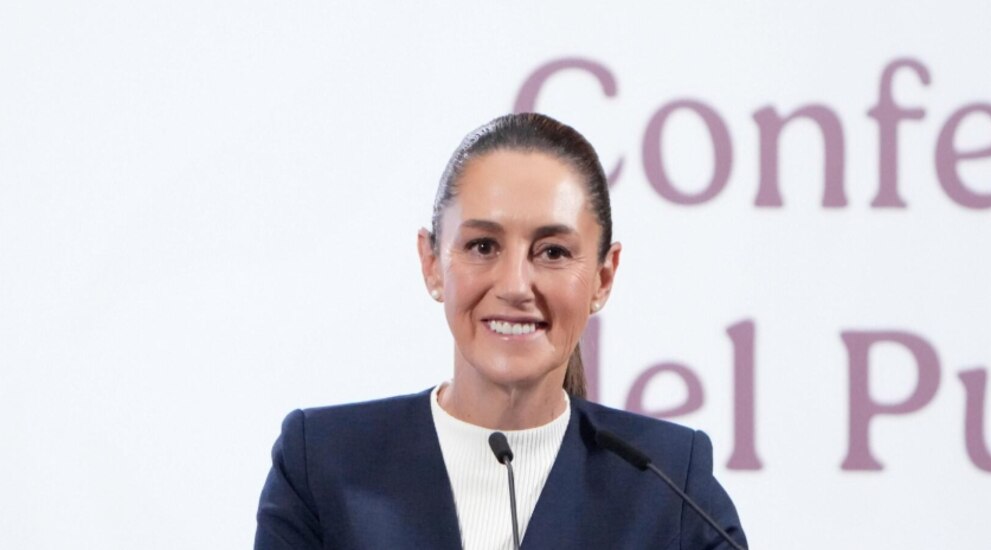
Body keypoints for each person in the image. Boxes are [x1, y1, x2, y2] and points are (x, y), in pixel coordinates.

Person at [254, 113, 748, 549]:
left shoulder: (667, 482)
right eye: (483, 246)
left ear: (603, 277)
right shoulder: (322, 463)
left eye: (553, 252)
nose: (515, 286)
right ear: (431, 263)